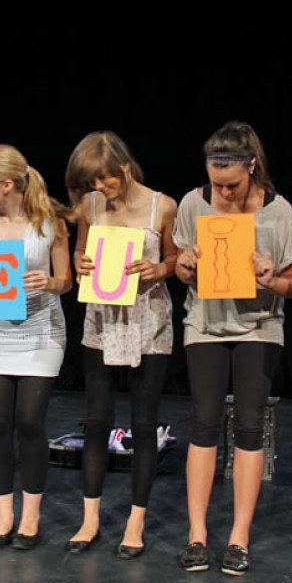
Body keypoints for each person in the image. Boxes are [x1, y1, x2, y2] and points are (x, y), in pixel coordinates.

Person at [174, 121, 292, 574]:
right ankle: (196, 534)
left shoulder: (279, 211)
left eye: (231, 185)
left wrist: (274, 279)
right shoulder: (194, 203)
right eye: (215, 184)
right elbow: (178, 263)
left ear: (251, 167)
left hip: (258, 327)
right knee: (204, 422)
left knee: (249, 426)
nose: (223, 194)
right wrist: (184, 267)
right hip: (206, 326)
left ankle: (239, 537)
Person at [62, 131, 177, 558]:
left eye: (106, 180)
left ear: (124, 169)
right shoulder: (90, 206)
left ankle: (135, 521)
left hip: (148, 322)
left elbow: (177, 261)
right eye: (93, 183)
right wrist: (80, 262)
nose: (101, 189)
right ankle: (90, 519)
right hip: (102, 320)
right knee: (96, 421)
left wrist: (158, 267)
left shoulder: (161, 205)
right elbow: (78, 253)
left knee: (144, 426)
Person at [0, 144, 71, 550]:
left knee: (29, 422)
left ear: (6, 185)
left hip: (41, 333)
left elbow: (67, 280)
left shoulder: (49, 221)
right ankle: (4, 516)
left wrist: (49, 282)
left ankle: (31, 517)